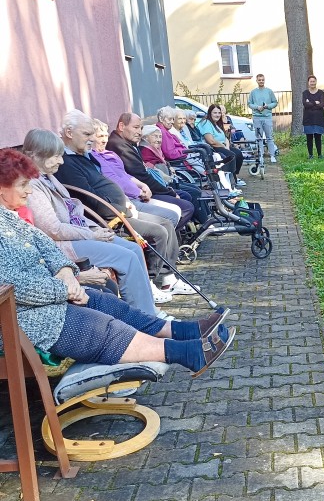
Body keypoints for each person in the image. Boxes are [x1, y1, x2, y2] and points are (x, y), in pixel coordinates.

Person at [0, 148, 234, 376]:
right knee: (95, 325)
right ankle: (186, 353)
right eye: (23, 185)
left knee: (104, 302)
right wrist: (66, 289)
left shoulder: (11, 218)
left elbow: (48, 248)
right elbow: (13, 285)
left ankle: (184, 331)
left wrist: (66, 273)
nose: (29, 191)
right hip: (15, 321)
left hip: (41, 301)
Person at [53, 110, 193, 298]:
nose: (92, 139)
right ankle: (149, 282)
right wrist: (122, 209)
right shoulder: (68, 163)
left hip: (122, 209)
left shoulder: (84, 156)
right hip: (109, 219)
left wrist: (126, 201)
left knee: (166, 223)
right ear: (69, 133)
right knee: (159, 232)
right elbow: (89, 199)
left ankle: (168, 278)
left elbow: (106, 183)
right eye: (87, 134)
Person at [22, 128, 161, 315]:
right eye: (55, 156)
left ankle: (147, 308)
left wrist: (95, 229)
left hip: (79, 234)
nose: (61, 161)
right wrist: (92, 234)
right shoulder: (33, 186)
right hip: (64, 244)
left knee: (134, 248)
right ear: (35, 156)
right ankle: (145, 318)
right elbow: (53, 229)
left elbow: (71, 212)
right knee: (126, 258)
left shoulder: (48, 177)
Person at [106, 112, 197, 228]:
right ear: (122, 126)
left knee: (186, 195)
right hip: (138, 195)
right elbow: (141, 176)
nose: (139, 132)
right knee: (186, 207)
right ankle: (167, 240)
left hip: (144, 189)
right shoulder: (120, 147)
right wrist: (170, 192)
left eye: (141, 128)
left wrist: (169, 191)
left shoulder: (126, 143)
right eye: (135, 127)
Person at [89, 119, 182, 229]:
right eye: (100, 136)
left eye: (106, 136)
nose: (105, 140)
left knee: (178, 208)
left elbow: (125, 174)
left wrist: (143, 186)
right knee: (172, 215)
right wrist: (139, 192)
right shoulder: (94, 157)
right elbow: (114, 179)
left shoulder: (109, 154)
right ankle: (156, 244)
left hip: (137, 194)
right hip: (126, 201)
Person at [197, 104, 245, 186]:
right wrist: (223, 146)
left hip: (222, 146)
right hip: (213, 148)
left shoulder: (216, 124)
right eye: (215, 113)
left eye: (219, 113)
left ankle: (234, 177)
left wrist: (227, 146)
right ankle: (229, 183)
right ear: (210, 113)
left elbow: (225, 137)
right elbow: (211, 141)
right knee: (231, 156)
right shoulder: (206, 123)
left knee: (238, 154)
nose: (217, 115)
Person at [248, 74, 279, 161]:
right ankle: (260, 155)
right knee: (259, 137)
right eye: (259, 80)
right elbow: (249, 103)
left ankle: (272, 155)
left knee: (269, 137)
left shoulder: (269, 91)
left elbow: (275, 102)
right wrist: (257, 107)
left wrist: (267, 106)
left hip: (267, 117)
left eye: (262, 80)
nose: (261, 81)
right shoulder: (253, 92)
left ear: (264, 80)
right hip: (257, 117)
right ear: (257, 81)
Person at [302, 75, 324, 160]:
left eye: (313, 81)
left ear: (316, 82)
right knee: (309, 137)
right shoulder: (305, 93)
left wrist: (310, 103)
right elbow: (305, 104)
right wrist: (315, 102)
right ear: (308, 83)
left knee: (318, 137)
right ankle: (310, 155)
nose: (312, 83)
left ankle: (320, 155)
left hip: (318, 118)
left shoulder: (321, 93)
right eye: (310, 81)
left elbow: (322, 105)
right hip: (308, 118)